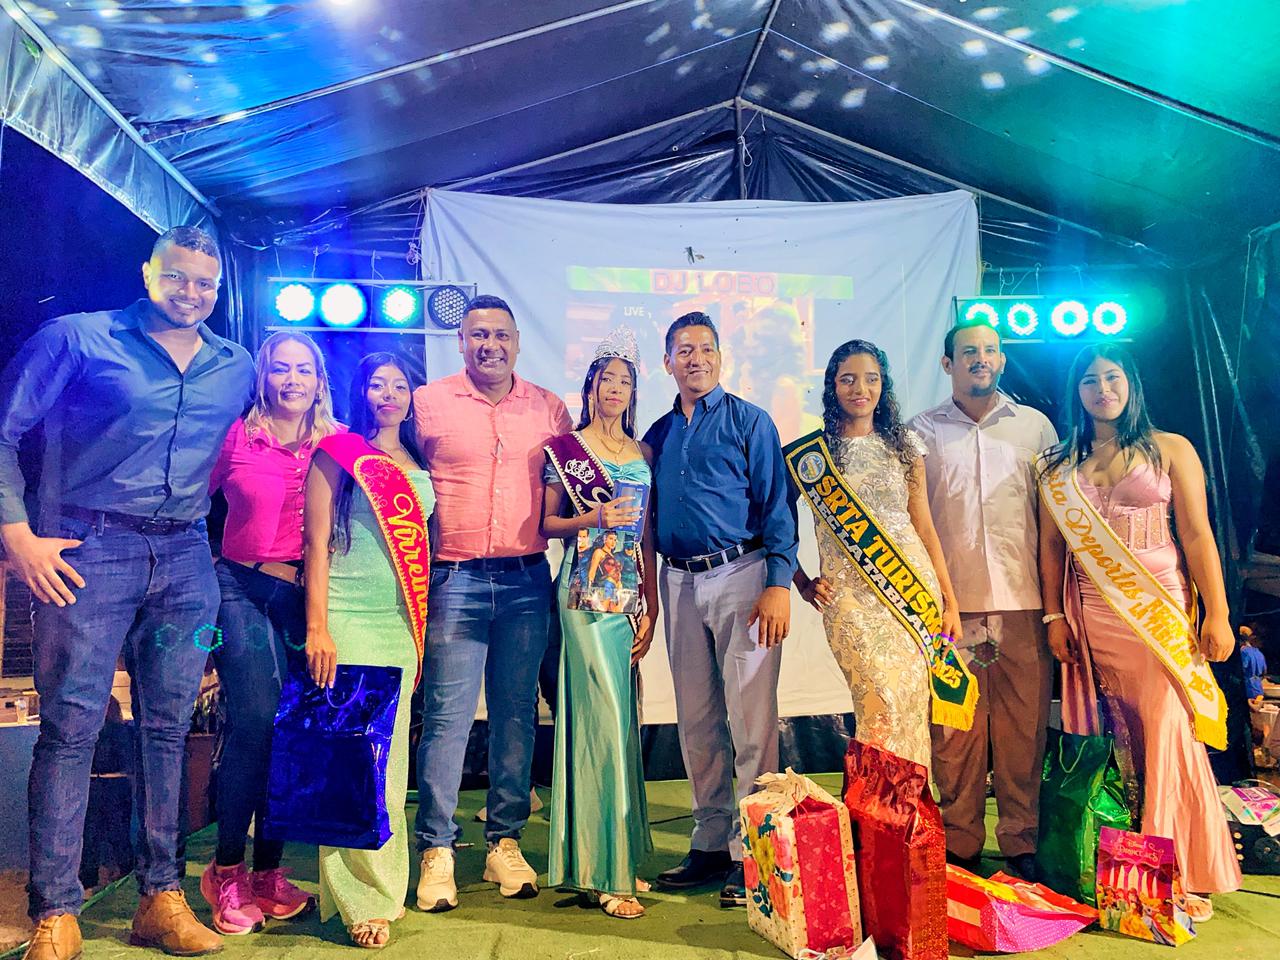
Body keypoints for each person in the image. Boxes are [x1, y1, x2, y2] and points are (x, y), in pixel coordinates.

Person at [0, 226, 252, 959]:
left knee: (168, 728)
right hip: (89, 552)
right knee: (71, 728)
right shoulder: (77, 338)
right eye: (177, 277)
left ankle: (161, 898)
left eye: (205, 283)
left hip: (186, 561)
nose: (190, 293)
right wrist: (17, 538)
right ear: (147, 273)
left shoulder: (233, 365)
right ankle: (56, 910)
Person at [1038, 343, 1241, 922]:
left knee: (1167, 731)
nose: (1102, 389)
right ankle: (1117, 870)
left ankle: (1177, 870)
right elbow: (1050, 548)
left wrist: (1218, 612)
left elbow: (1197, 535)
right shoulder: (1057, 467)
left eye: (1113, 377)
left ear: (1131, 384)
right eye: (1089, 380)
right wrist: (1054, 616)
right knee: (1111, 738)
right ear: (1076, 392)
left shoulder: (1171, 448)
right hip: (1090, 615)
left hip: (1159, 612)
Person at [412, 295, 571, 912]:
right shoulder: (427, 404)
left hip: (527, 580)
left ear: (517, 342)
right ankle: (437, 848)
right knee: (447, 720)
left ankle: (504, 840)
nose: (490, 345)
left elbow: (574, 490)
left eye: (501, 335)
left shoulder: (549, 408)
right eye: (478, 334)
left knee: (516, 715)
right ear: (461, 342)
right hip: (454, 580)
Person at [643, 311, 798, 908]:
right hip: (679, 581)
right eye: (684, 350)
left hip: (743, 576)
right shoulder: (658, 434)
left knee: (752, 722)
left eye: (706, 349)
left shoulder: (749, 421)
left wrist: (779, 583)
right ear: (668, 362)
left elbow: (777, 506)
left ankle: (754, 854)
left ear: (720, 358)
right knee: (697, 721)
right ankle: (710, 842)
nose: (696, 359)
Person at [200, 332, 341, 933]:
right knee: (256, 720)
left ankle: (267, 872)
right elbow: (186, 506)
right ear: (262, 377)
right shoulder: (235, 436)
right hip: (239, 587)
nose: (291, 380)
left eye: (303, 369)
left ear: (320, 381)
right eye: (280, 369)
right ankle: (225, 870)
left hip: (302, 598)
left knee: (290, 732)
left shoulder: (338, 445)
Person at [909, 320, 1058, 879]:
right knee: (955, 732)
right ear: (947, 363)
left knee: (1023, 730)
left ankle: (1021, 842)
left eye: (991, 350)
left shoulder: (1035, 428)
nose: (981, 358)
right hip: (951, 608)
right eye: (969, 350)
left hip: (1025, 603)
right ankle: (960, 844)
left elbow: (1054, 520)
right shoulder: (919, 432)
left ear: (1002, 360)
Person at [303, 353, 434, 948]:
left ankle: (384, 888)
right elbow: (316, 543)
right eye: (377, 384)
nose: (389, 394)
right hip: (348, 618)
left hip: (400, 624)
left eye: (399, 385)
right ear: (361, 393)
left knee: (391, 761)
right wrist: (319, 627)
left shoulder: (417, 460)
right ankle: (356, 897)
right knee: (351, 760)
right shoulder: (338, 452)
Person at [792, 340, 963, 769]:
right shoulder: (811, 455)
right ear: (832, 386)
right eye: (848, 379)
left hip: (911, 590)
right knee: (880, 700)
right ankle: (876, 808)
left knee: (911, 705)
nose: (860, 389)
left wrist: (949, 601)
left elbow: (923, 526)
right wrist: (802, 582)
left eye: (871, 379)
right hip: (849, 599)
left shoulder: (905, 445)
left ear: (883, 385)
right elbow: (774, 527)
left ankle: (908, 807)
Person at [541, 326, 657, 919]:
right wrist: (594, 517)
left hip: (628, 592)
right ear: (590, 387)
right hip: (584, 592)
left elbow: (647, 533)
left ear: (633, 392)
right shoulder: (566, 450)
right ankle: (606, 872)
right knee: (600, 720)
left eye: (625, 381)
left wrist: (652, 602)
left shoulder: (643, 452)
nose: (615, 388)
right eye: (606, 378)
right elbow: (547, 526)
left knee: (621, 722)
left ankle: (609, 858)